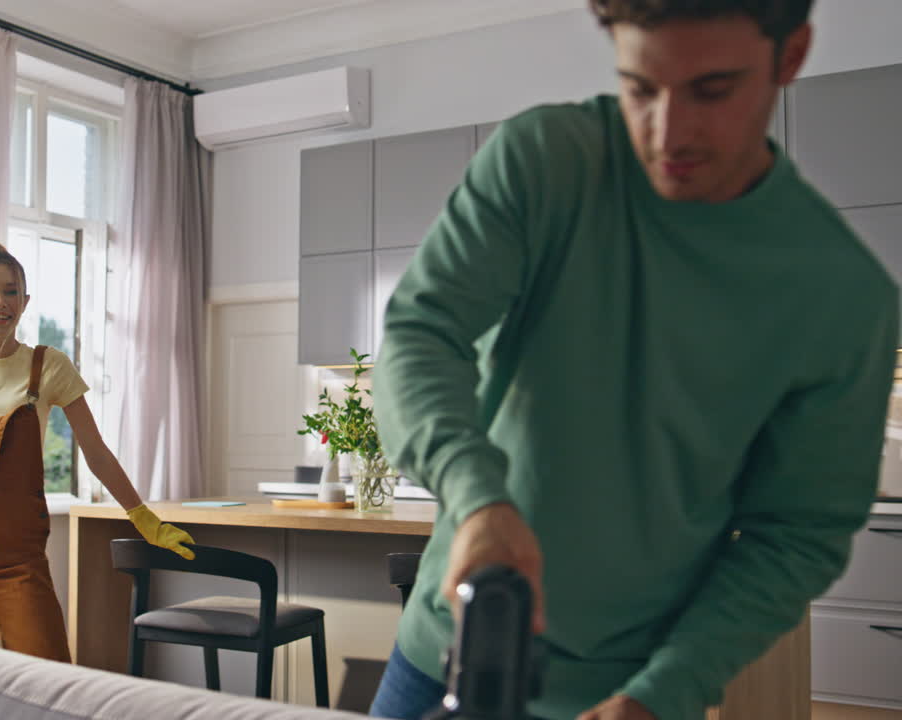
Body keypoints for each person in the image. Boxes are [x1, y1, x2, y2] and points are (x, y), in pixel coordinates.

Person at [369, 1, 898, 719]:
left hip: (625, 692)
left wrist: (662, 695)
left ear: (792, 55)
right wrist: (477, 497)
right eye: (641, 89)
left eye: (711, 90)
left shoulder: (841, 295)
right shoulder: (546, 160)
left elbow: (796, 536)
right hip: (446, 653)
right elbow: (420, 332)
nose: (668, 132)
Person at [0, 239, 195, 660]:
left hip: (16, 549)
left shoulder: (48, 366)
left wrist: (142, 516)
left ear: (24, 301)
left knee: (47, 669)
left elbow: (96, 454)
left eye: (10, 291)